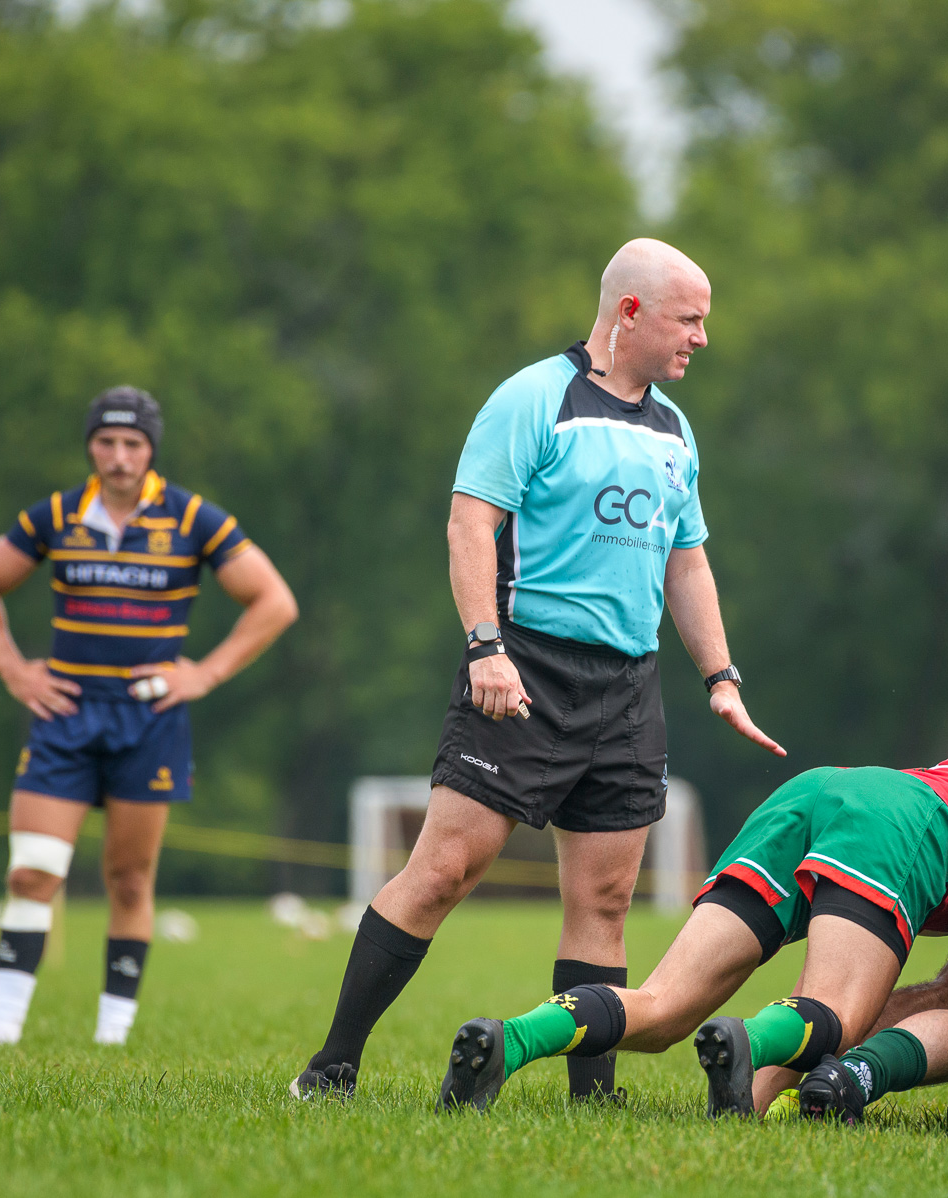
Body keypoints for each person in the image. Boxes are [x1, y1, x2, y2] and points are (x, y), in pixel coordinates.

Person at [292, 239, 783, 1104]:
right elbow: (469, 525)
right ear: (629, 311)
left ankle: (589, 1098)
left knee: (604, 899)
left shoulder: (674, 428)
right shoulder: (532, 398)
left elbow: (688, 563)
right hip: (524, 671)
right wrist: (485, 646)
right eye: (690, 318)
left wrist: (721, 677)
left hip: (628, 688)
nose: (702, 337)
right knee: (443, 872)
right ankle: (332, 1065)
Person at [432, 672, 948, 1117]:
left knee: (663, 1009)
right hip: (899, 825)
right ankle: (756, 1039)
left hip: (819, 793)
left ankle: (512, 1040)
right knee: (831, 1014)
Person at [0, 387, 297, 1046]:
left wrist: (205, 672)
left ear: (151, 450)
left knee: (130, 878)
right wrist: (11, 668)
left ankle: (112, 1034)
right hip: (65, 716)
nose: (118, 456)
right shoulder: (55, 516)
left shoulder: (194, 517)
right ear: (90, 446)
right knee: (32, 871)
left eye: (132, 444)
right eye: (106, 442)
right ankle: (1, 1031)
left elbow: (274, 602)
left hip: (149, 721)